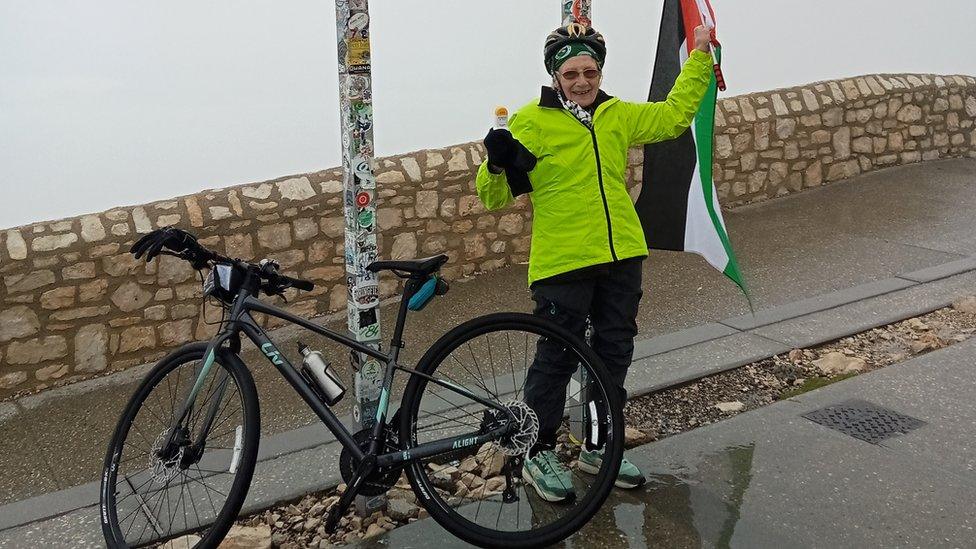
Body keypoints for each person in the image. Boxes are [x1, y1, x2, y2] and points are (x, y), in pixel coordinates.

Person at [475, 22, 715, 502]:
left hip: (622, 254)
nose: (582, 81)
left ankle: (598, 446)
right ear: (555, 75)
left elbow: (671, 116)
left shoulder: (616, 114)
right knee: (557, 356)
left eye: (590, 71)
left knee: (613, 354)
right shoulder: (529, 122)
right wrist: (496, 162)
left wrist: (700, 59)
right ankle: (536, 451)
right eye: (571, 73)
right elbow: (493, 198)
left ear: (599, 72)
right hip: (562, 261)